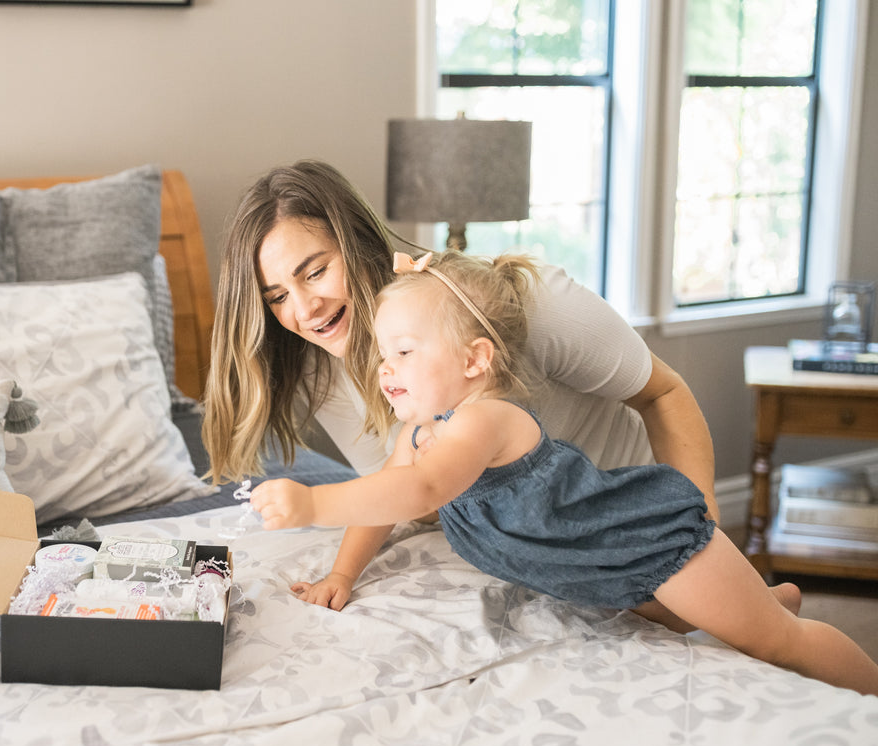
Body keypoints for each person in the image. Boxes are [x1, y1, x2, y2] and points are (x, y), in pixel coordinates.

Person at [249, 250, 878, 696]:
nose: (386, 371)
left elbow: (422, 489)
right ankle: (764, 601)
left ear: (475, 360)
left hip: (649, 546)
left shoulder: (484, 422)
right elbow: (387, 497)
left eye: (405, 353)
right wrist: (341, 572)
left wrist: (312, 505)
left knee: (777, 644)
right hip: (595, 568)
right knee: (690, 617)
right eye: (384, 355)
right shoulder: (424, 430)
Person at [200, 159, 721, 528]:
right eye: (276, 297)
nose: (304, 308)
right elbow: (419, 504)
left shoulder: (523, 302)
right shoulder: (322, 373)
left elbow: (663, 394)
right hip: (545, 543)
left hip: (636, 511)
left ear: (359, 242)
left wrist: (700, 529)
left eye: (314, 272)